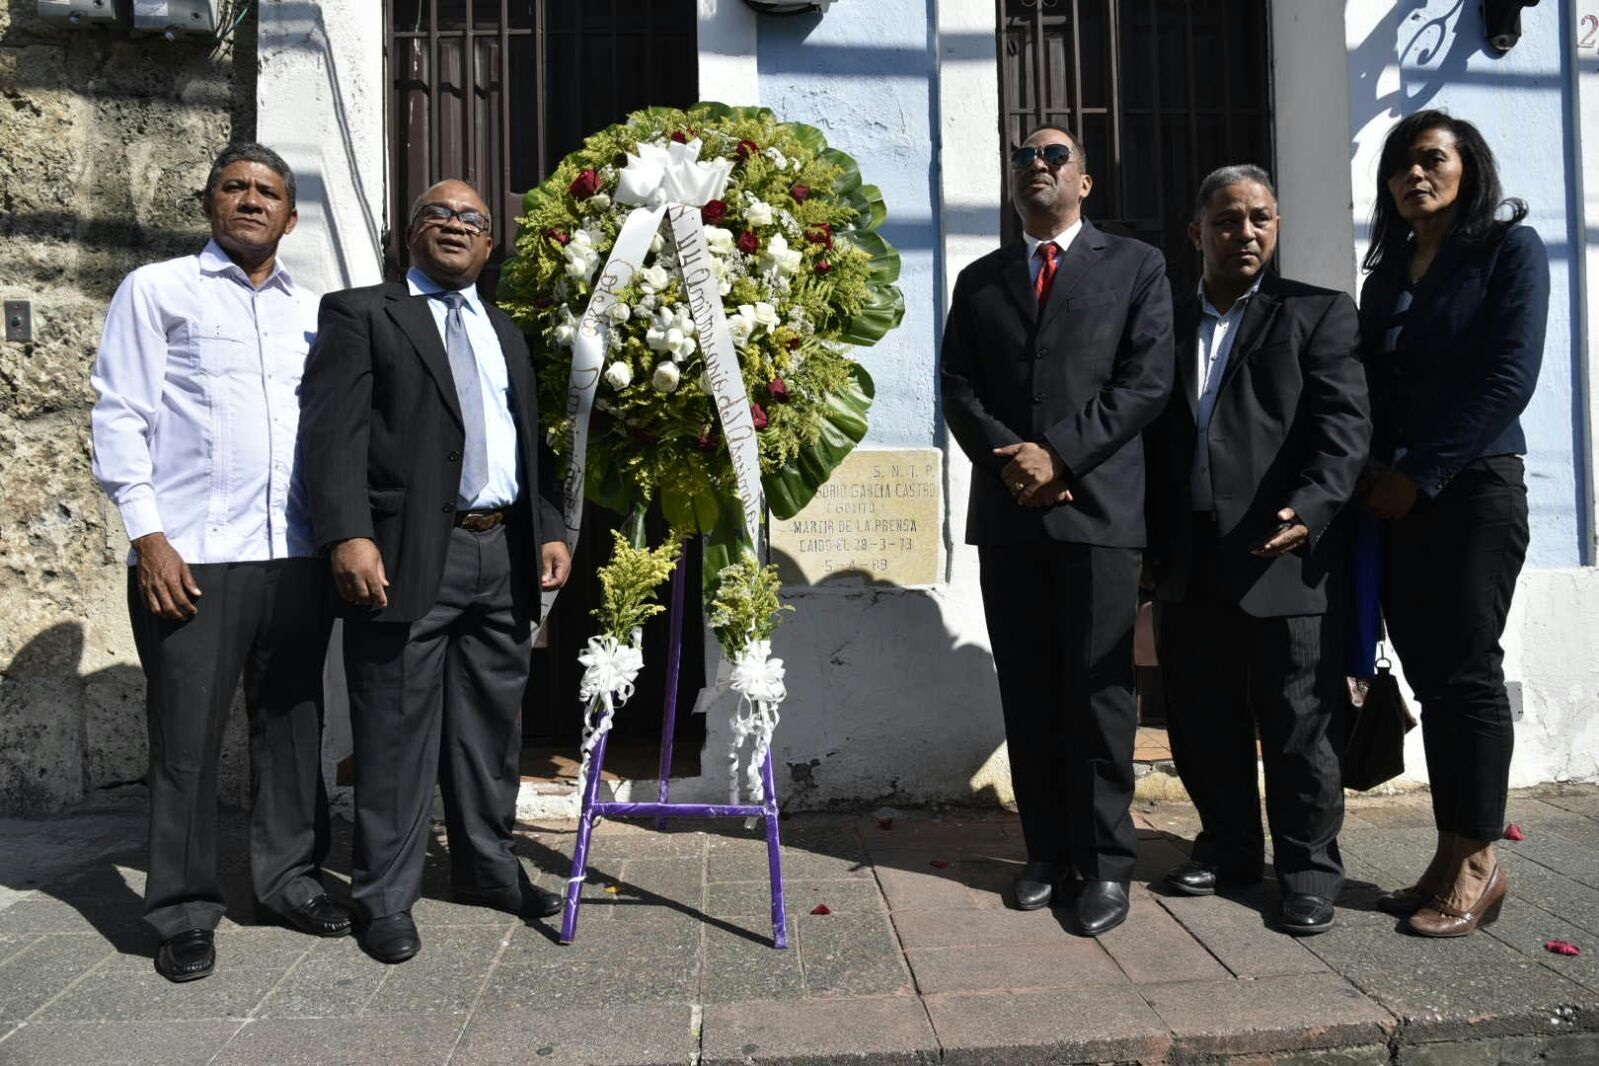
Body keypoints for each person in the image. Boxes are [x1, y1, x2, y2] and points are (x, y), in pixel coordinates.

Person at [90, 143, 349, 984]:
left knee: (291, 728)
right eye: (234, 188)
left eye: (267, 192)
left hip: (295, 553)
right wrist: (148, 537)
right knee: (187, 745)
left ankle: (287, 880)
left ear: (290, 215)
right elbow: (121, 413)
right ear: (209, 204)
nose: (250, 200)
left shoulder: (314, 313)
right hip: (191, 556)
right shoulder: (157, 290)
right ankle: (183, 911)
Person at [300, 179, 572, 964]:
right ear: (410, 233)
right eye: (439, 215)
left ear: (490, 247)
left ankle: (488, 869)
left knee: (491, 730)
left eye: (473, 220)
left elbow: (528, 442)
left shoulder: (506, 331)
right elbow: (331, 438)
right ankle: (384, 895)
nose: (456, 226)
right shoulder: (362, 314)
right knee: (393, 731)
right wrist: (348, 536)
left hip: (503, 552)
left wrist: (547, 528)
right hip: (406, 554)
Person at [941, 125, 1174, 935]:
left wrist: (1060, 456)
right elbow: (958, 386)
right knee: (1030, 692)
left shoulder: (1136, 267)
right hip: (1009, 516)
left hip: (1097, 514)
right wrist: (1013, 460)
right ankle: (1045, 852)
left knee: (1100, 697)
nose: (1035, 167)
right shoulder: (980, 279)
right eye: (1022, 158)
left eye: (1052, 157)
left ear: (1084, 182)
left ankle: (1106, 865)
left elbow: (1145, 382)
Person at [1144, 165, 1370, 935]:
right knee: (1201, 717)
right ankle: (1228, 848)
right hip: (1188, 554)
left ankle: (1307, 868)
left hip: (1282, 550)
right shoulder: (1162, 323)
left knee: (1297, 721)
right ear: (1196, 233)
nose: (1245, 233)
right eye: (1228, 220)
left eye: (1260, 220)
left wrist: (1311, 508)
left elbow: (1345, 430)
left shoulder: (1316, 314)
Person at [1357, 110, 1548, 937]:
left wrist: (1421, 474)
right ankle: (1446, 852)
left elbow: (1508, 378)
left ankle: (1478, 861)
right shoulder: (1386, 275)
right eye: (1400, 164)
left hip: (1470, 490)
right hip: (1395, 499)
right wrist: (1368, 474)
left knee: (1467, 675)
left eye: (1431, 159)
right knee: (1433, 679)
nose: (1414, 174)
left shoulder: (1509, 252)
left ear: (1468, 168)